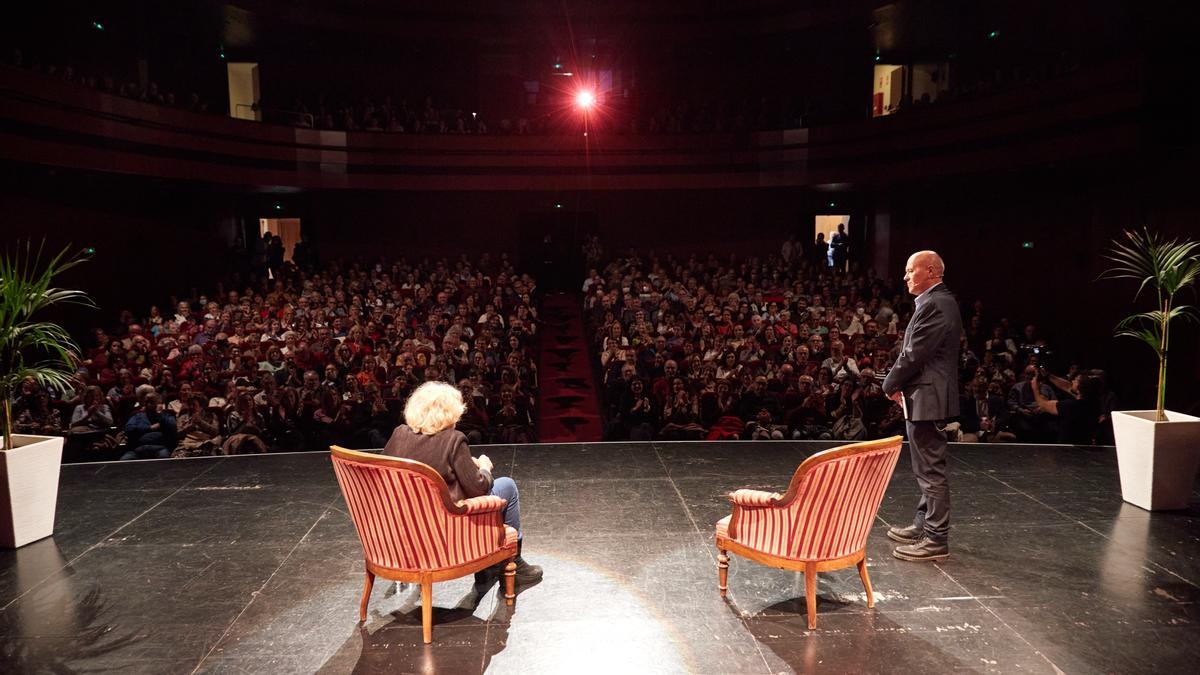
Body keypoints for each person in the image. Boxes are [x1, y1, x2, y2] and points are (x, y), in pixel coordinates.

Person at [381, 381, 542, 589]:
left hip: (407, 528)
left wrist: (462, 466)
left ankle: (490, 567)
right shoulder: (453, 440)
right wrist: (484, 467)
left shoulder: (399, 434)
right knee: (507, 486)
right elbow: (479, 488)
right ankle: (511, 562)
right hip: (446, 529)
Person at [882, 250, 961, 561]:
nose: (905, 277)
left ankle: (936, 540)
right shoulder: (936, 302)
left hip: (928, 396)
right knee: (925, 467)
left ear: (931, 271)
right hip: (925, 395)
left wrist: (889, 383)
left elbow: (915, 354)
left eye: (910, 270)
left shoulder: (936, 304)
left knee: (930, 470)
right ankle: (923, 524)